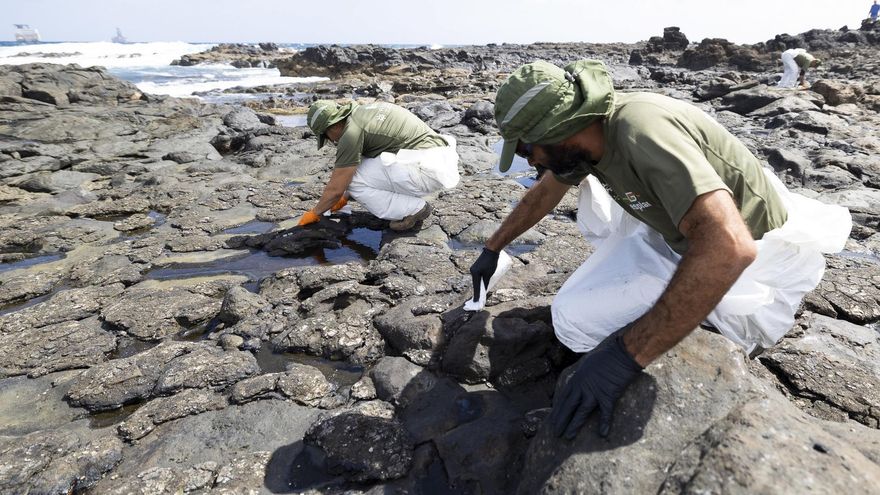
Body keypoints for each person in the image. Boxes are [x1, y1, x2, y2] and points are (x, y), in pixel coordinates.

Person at [469, 60, 850, 440]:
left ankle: (708, 326)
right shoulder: (588, 136)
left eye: (526, 149)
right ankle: (676, 316)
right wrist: (492, 248)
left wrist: (626, 355)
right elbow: (546, 191)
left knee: (578, 321)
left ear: (556, 130)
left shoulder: (641, 131)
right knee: (569, 317)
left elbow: (731, 246)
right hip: (680, 236)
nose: (530, 161)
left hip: (749, 268)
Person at [298, 100, 460, 230]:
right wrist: (345, 198)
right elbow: (366, 165)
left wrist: (315, 213)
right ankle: (407, 203)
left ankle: (413, 209)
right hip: (439, 160)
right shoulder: (364, 113)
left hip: (426, 171)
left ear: (331, 126)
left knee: (352, 181)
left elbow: (336, 188)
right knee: (358, 172)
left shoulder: (350, 134)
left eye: (326, 136)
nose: (332, 141)